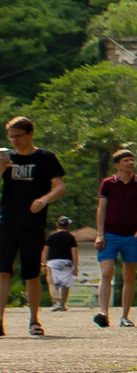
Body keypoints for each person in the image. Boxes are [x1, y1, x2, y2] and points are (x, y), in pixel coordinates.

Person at [3, 117, 67, 338]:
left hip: (32, 223)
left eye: (18, 136)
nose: (14, 141)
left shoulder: (45, 157)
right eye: (11, 137)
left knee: (30, 273)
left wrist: (45, 200)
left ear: (30, 134)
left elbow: (59, 186)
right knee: (2, 271)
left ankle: (34, 319)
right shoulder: (6, 157)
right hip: (7, 222)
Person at [94, 150, 137, 328]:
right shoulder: (108, 183)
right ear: (117, 165)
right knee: (106, 272)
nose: (130, 162)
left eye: (132, 160)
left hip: (131, 234)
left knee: (129, 276)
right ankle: (104, 313)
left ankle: (125, 316)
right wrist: (100, 233)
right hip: (110, 234)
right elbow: (101, 209)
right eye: (126, 160)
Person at [44, 219, 75, 312]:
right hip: (66, 261)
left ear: (58, 226)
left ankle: (56, 302)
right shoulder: (70, 237)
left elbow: (45, 251)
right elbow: (74, 252)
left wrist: (43, 264)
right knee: (65, 283)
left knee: (52, 282)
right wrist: (75, 265)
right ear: (67, 226)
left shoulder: (51, 236)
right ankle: (62, 303)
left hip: (52, 261)